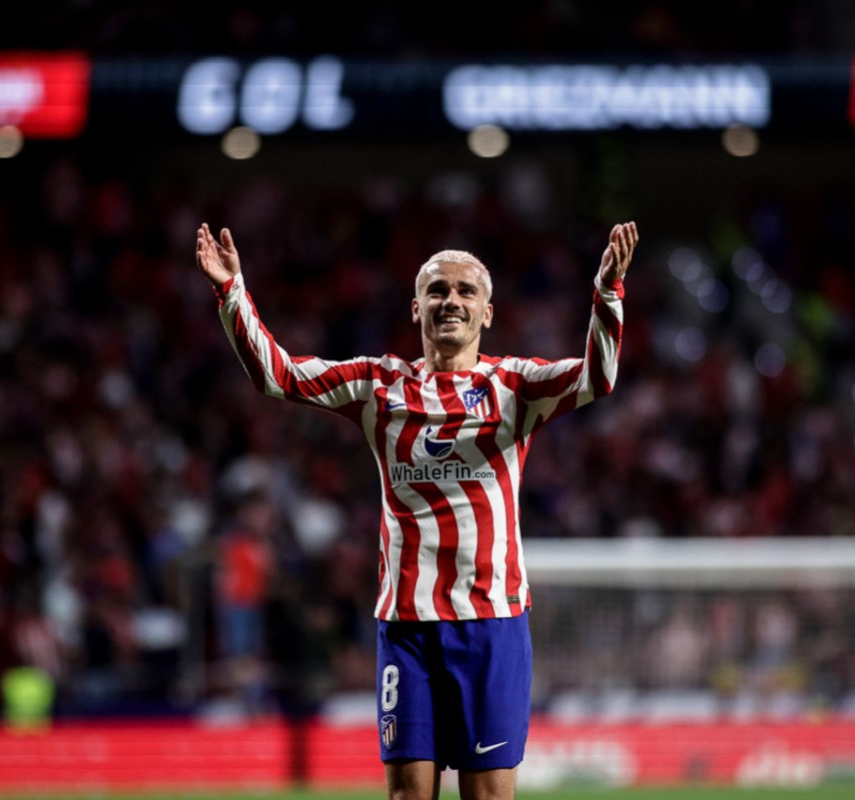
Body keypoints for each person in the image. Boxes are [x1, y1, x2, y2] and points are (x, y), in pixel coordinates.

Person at [196, 219, 638, 800]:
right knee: (408, 795)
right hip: (407, 627)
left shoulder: (514, 387)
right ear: (415, 308)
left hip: (491, 623)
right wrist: (232, 291)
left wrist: (607, 292)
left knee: (488, 796)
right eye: (437, 290)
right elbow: (277, 375)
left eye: (466, 292)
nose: (451, 300)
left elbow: (597, 377)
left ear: (487, 313)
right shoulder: (378, 386)